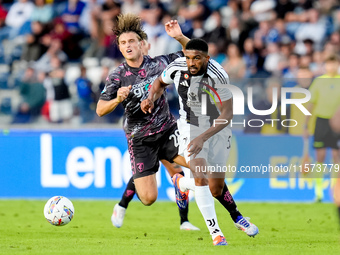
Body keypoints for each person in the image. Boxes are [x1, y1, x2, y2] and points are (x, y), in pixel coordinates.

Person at [141, 38, 259, 245]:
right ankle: (216, 234)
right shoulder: (177, 67)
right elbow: (159, 82)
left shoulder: (218, 75)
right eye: (188, 58)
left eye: (197, 58)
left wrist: (204, 137)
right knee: (201, 175)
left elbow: (228, 113)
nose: (191, 63)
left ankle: (183, 183)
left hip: (217, 128)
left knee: (216, 189)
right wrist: (151, 97)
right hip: (189, 126)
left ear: (207, 58)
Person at [96, 14, 200, 232]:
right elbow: (100, 110)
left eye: (132, 41)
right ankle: (122, 205)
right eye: (123, 43)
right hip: (140, 138)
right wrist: (118, 99)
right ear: (120, 48)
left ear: (141, 44)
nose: (128, 46)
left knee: (192, 168)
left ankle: (187, 221)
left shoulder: (159, 63)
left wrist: (180, 37)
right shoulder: (117, 76)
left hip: (166, 129)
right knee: (149, 198)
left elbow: (195, 54)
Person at [303, 55, 340, 202]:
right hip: (321, 122)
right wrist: (306, 125)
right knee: (320, 157)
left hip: (337, 124)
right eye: (329, 64)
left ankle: (335, 191)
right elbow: (311, 104)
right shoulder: (319, 81)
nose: (331, 67)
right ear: (325, 66)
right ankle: (318, 193)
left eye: (334, 63)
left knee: (336, 157)